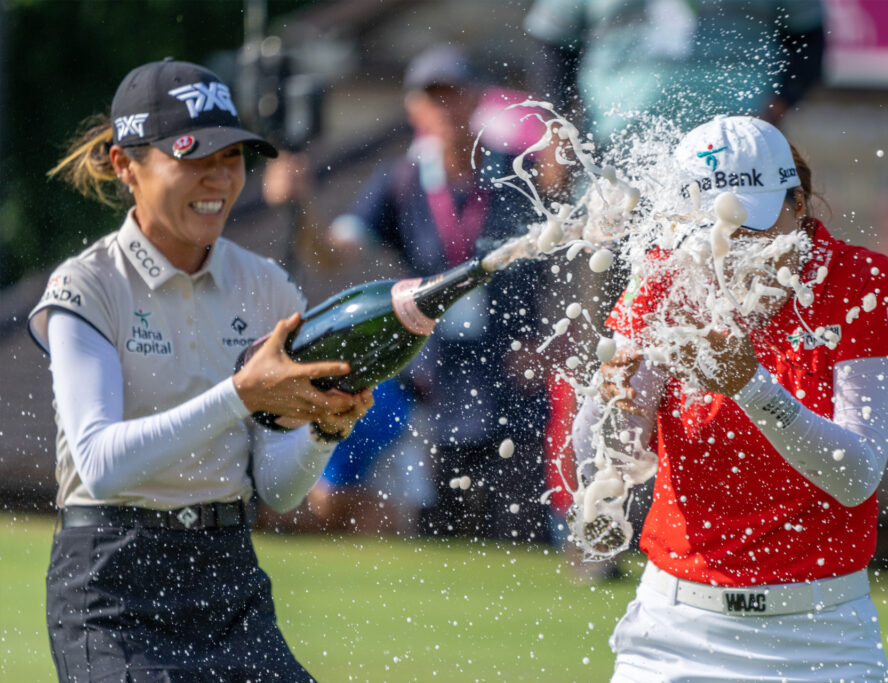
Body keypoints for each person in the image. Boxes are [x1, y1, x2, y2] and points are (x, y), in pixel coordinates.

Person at [29, 58, 375, 681]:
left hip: (227, 574)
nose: (217, 178)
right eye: (192, 157)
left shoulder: (267, 287)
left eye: (231, 157)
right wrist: (242, 393)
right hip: (111, 587)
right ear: (123, 164)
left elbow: (277, 486)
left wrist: (324, 429)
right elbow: (102, 467)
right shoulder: (86, 286)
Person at [574, 115, 888, 681]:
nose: (730, 245)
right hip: (671, 629)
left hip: (821, 636)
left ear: (799, 204)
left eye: (750, 225)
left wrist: (749, 386)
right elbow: (602, 460)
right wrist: (612, 406)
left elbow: (856, 474)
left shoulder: (861, 281)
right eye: (712, 225)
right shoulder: (666, 276)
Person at [264, 45, 553, 542]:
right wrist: (302, 201)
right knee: (442, 538)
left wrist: (547, 338)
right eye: (432, 98)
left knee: (522, 536)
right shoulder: (400, 181)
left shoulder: (520, 175)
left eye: (454, 96)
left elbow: (551, 257)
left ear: (476, 102)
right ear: (413, 109)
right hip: (435, 385)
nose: (445, 109)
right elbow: (332, 253)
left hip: (513, 378)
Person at [523, 0, 825, 143]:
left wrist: (777, 106)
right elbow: (553, 43)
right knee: (611, 262)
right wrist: (556, 130)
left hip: (737, 152)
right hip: (616, 150)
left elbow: (808, 38)